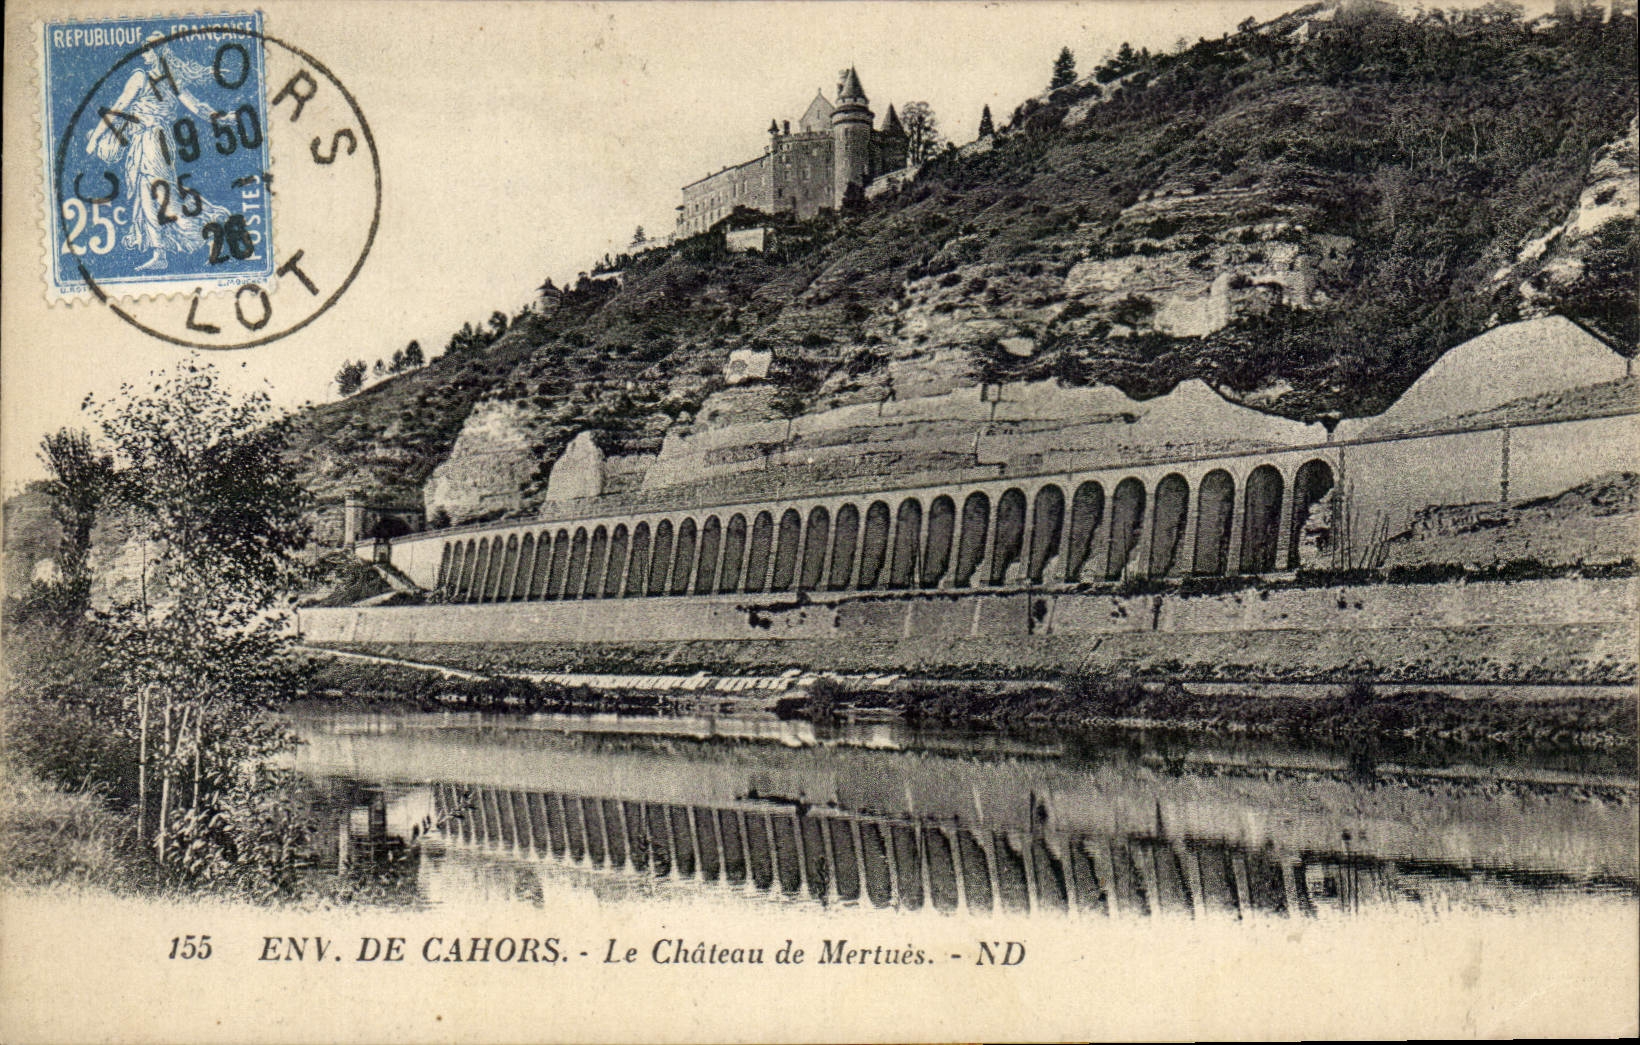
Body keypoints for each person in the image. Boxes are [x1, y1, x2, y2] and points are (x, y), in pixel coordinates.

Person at [85, 35, 232, 272]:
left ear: (159, 52)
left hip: (154, 141)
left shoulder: (151, 79)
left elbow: (120, 108)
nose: (144, 54)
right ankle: (159, 253)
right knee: (145, 198)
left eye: (148, 50)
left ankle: (212, 229)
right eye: (144, 49)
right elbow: (119, 109)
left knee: (166, 200)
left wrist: (95, 138)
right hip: (144, 141)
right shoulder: (154, 78)